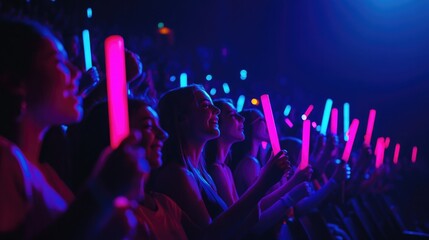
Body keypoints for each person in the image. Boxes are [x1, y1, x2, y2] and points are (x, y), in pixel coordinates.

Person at [0, 17, 145, 239]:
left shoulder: (44, 173)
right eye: (58, 61)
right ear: (15, 82)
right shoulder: (4, 161)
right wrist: (102, 193)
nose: (76, 73)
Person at [152, 84, 291, 239]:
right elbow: (210, 235)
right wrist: (264, 182)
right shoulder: (177, 174)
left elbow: (239, 225)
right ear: (181, 118)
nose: (216, 110)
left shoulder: (202, 174)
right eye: (205, 105)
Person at [81, 98, 201, 239]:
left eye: (159, 125)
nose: (164, 134)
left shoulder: (165, 203)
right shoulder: (107, 217)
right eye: (148, 126)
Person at [205, 98, 244, 206]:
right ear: (217, 122)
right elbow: (236, 216)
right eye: (232, 115)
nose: (242, 118)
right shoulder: (215, 169)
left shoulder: (225, 168)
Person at [230, 109, 270, 196]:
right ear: (249, 125)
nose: (267, 124)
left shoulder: (253, 160)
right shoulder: (249, 163)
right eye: (262, 120)